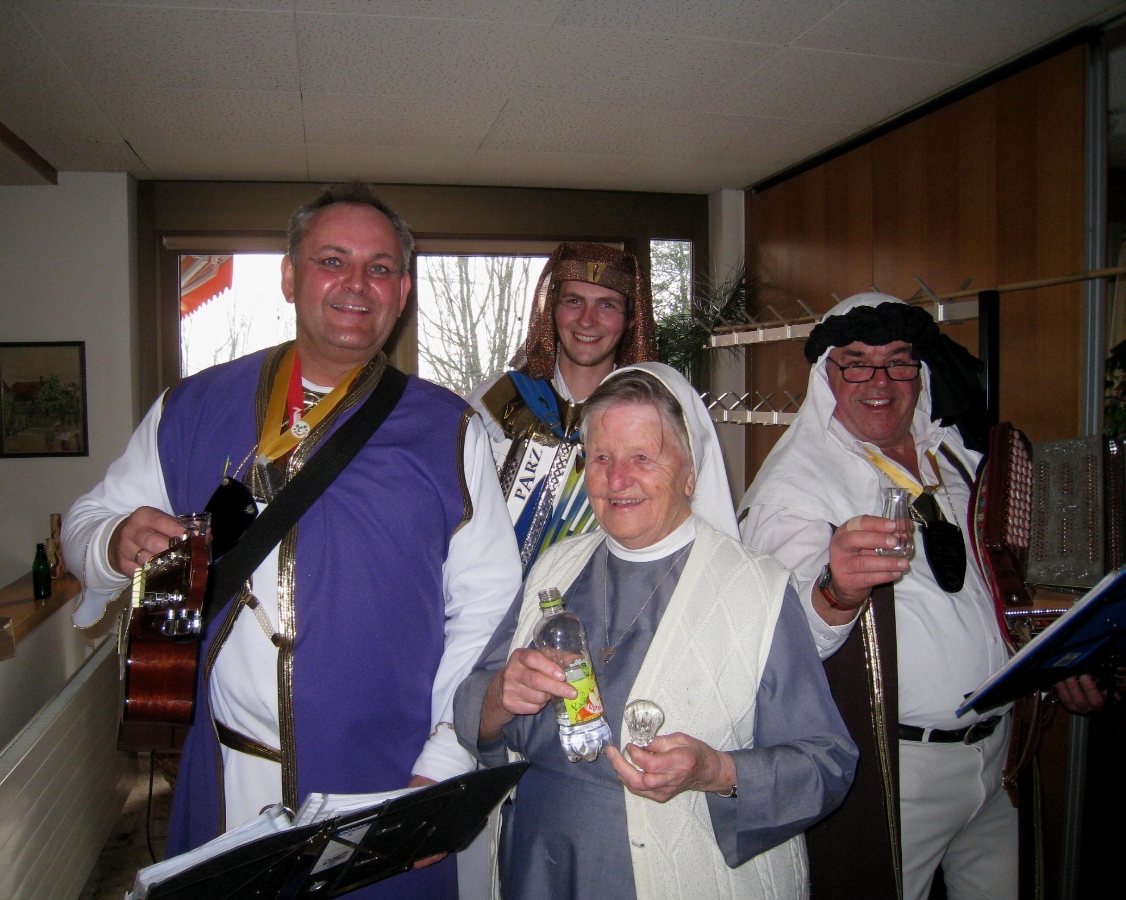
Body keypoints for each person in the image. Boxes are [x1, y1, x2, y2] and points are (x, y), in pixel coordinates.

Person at [62, 184, 521, 898]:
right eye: (332, 260)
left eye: (379, 268)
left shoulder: (448, 431)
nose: (356, 283)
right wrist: (113, 540)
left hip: (379, 792)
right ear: (289, 275)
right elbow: (86, 523)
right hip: (221, 780)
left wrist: (444, 761)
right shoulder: (191, 407)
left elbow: (490, 604)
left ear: (402, 292)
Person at [738, 293, 1105, 900]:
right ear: (827, 376)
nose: (880, 381)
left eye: (898, 361)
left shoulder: (956, 455)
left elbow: (1002, 583)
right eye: (857, 362)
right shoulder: (795, 489)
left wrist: (1059, 653)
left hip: (999, 754)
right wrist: (835, 588)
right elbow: (783, 636)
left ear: (920, 368)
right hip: (895, 771)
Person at [455, 362, 857, 899]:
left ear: (690, 473)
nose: (617, 480)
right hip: (538, 870)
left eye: (642, 457)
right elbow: (475, 703)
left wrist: (716, 770)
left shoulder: (758, 590)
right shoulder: (555, 568)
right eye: (602, 458)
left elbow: (826, 763)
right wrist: (500, 697)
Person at [469, 242, 666, 571]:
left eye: (607, 305)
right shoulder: (496, 401)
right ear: (551, 309)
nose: (587, 320)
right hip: (495, 592)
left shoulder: (655, 416)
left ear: (631, 320)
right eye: (574, 301)